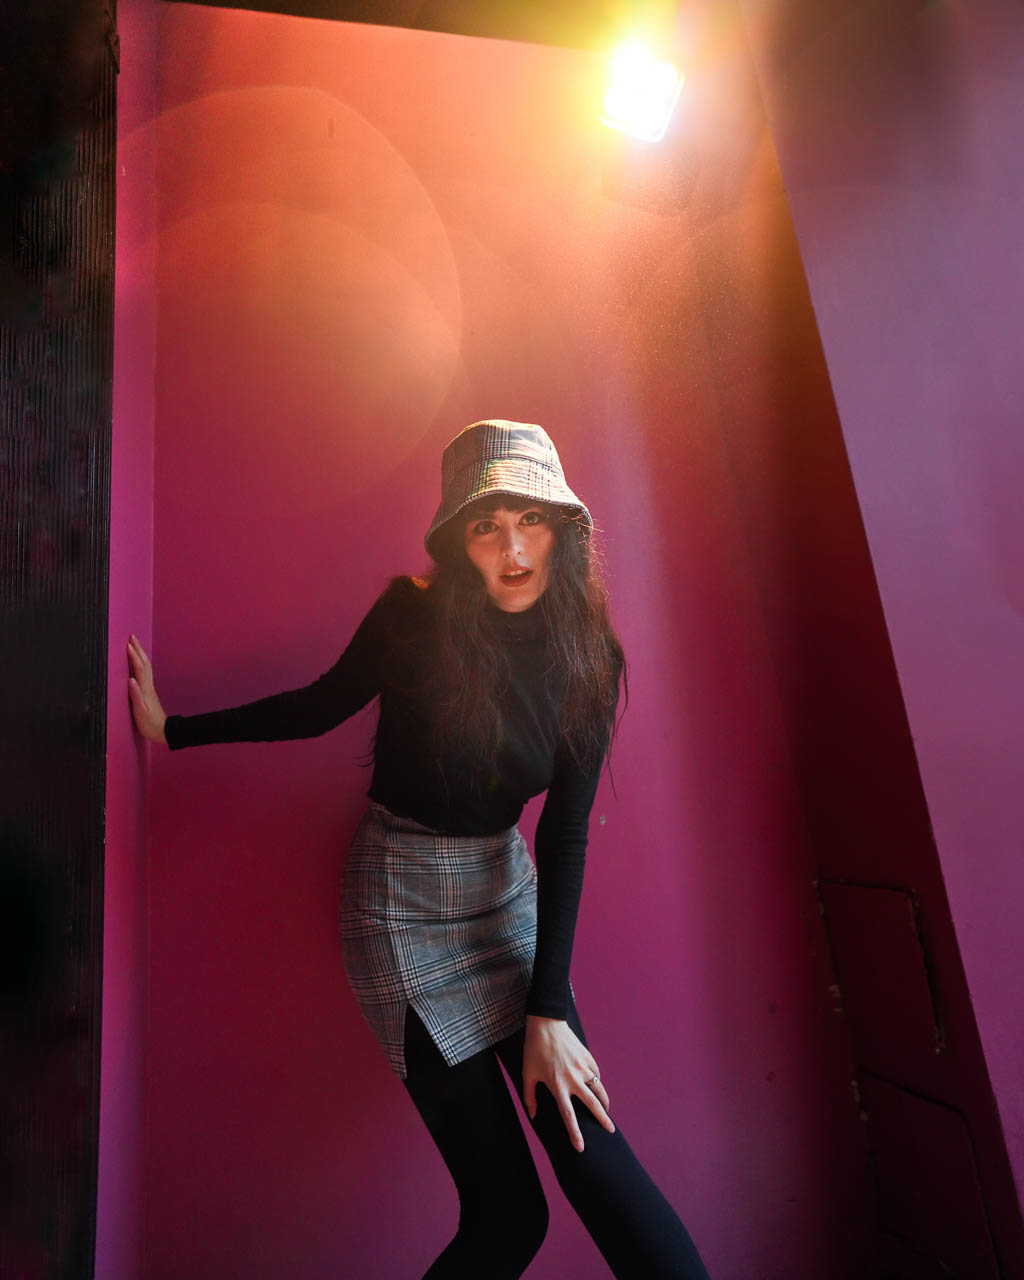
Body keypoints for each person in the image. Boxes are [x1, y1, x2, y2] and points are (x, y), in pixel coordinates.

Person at [128, 420, 711, 1279]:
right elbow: (318, 706)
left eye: (531, 519)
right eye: (486, 526)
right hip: (400, 905)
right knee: (509, 1217)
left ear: (564, 527)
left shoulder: (591, 657)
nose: (513, 550)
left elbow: (564, 831)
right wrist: (172, 729)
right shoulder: (413, 618)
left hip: (504, 896)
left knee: (597, 1165)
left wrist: (549, 1010)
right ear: (458, 541)